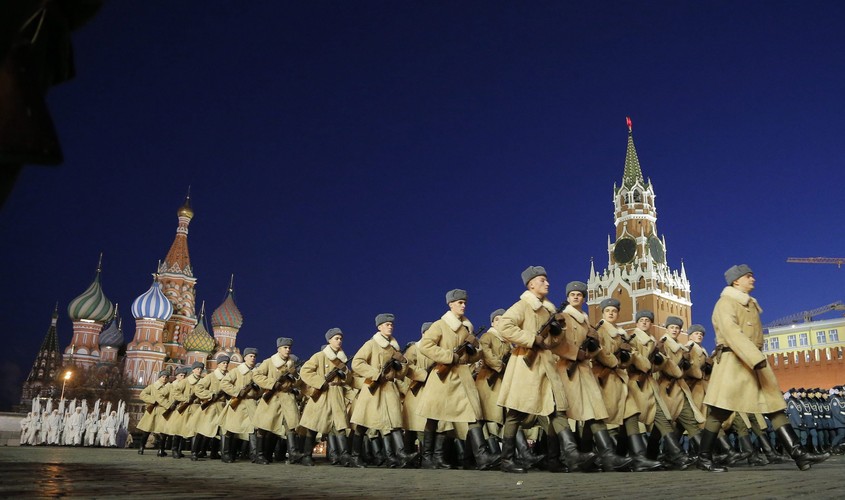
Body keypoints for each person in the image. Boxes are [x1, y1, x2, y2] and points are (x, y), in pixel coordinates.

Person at [698, 264, 830, 471]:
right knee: (719, 411)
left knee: (775, 407)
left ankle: (799, 454)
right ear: (736, 281)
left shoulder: (749, 304)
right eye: (748, 276)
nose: (753, 279)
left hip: (753, 362)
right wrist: (754, 357)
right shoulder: (725, 303)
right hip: (735, 362)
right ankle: (704, 458)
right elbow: (732, 333)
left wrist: (757, 358)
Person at [497, 267, 594, 474]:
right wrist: (532, 339)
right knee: (515, 412)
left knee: (557, 408)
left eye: (547, 280)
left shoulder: (549, 310)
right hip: (526, 365)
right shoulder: (523, 305)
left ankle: (570, 453)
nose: (547, 284)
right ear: (531, 284)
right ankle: (507, 459)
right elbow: (504, 326)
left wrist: (557, 333)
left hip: (547, 365)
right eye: (542, 281)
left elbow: (554, 343)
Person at [416, 290, 501, 471]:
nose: (463, 305)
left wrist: (471, 354)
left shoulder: (467, 329)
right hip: (442, 377)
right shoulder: (440, 325)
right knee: (434, 417)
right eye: (459, 302)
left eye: (464, 302)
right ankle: (429, 458)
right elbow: (425, 345)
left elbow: (476, 354)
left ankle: (482, 456)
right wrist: (448, 356)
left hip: (462, 376)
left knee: (473, 414)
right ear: (450, 304)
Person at [350, 313, 422, 469]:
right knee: (363, 424)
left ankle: (400, 455)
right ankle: (355, 456)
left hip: (389, 389)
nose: (390, 326)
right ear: (379, 327)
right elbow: (356, 363)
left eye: (391, 324)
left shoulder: (394, 348)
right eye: (386, 324)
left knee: (395, 422)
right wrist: (376, 374)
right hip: (373, 389)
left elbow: (401, 373)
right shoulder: (371, 344)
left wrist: (401, 365)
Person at [299, 329, 353, 466]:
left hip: (337, 393)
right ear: (329, 340)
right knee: (313, 425)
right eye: (336, 338)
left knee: (340, 426)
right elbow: (305, 371)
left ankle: (345, 456)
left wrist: (344, 376)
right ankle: (306, 455)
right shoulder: (319, 356)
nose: (339, 341)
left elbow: (349, 378)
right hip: (322, 394)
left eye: (340, 338)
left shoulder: (342, 359)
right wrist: (320, 382)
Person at [253, 337, 304, 465]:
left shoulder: (292, 364)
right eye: (285, 347)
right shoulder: (269, 362)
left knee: (291, 425)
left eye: (289, 348)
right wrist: (272, 384)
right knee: (264, 426)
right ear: (278, 349)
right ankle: (259, 454)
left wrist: (295, 379)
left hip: (287, 398)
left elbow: (298, 382)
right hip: (273, 397)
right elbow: (256, 375)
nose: (288, 350)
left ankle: (293, 453)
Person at [219, 347, 260, 463]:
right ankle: (226, 454)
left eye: (254, 356)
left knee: (253, 429)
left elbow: (260, 390)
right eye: (250, 356)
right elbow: (224, 383)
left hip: (251, 403)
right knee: (231, 428)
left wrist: (257, 391)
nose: (252, 358)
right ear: (245, 357)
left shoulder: (256, 373)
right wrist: (237, 391)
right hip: (237, 404)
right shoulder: (236, 371)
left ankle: (254, 455)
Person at [193, 355, 231, 460]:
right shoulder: (211, 376)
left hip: (222, 406)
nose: (225, 365)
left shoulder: (228, 377)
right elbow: (198, 388)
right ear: (218, 364)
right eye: (223, 363)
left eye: (227, 363)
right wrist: (211, 395)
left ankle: (214, 452)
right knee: (203, 430)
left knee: (220, 431)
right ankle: (194, 452)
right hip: (211, 407)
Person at [137, 370, 171, 456]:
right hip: (153, 410)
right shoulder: (152, 386)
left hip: (162, 411)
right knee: (147, 430)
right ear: (159, 377)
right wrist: (153, 400)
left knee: (163, 431)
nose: (164, 379)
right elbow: (142, 394)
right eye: (163, 377)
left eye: (166, 377)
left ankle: (161, 450)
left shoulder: (169, 387)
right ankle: (141, 448)